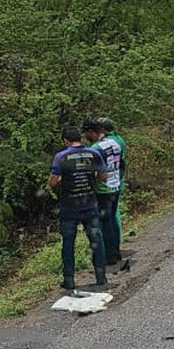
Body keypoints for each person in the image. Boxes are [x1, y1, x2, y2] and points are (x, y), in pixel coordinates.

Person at [49, 126, 107, 290]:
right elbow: (103, 176)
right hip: (90, 204)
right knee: (96, 240)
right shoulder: (94, 154)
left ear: (65, 141)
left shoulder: (61, 157)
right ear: (80, 139)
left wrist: (63, 180)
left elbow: (52, 181)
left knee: (68, 243)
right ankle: (101, 276)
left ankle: (69, 280)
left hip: (69, 207)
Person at [83, 119, 122, 266]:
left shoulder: (95, 148)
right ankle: (116, 251)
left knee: (105, 223)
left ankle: (110, 256)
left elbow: (96, 172)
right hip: (116, 185)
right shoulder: (114, 143)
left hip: (103, 189)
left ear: (91, 132)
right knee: (112, 220)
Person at [96, 117, 127, 249]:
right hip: (117, 180)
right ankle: (116, 243)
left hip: (109, 183)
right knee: (114, 214)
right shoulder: (119, 139)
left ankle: (112, 246)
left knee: (110, 217)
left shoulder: (108, 143)